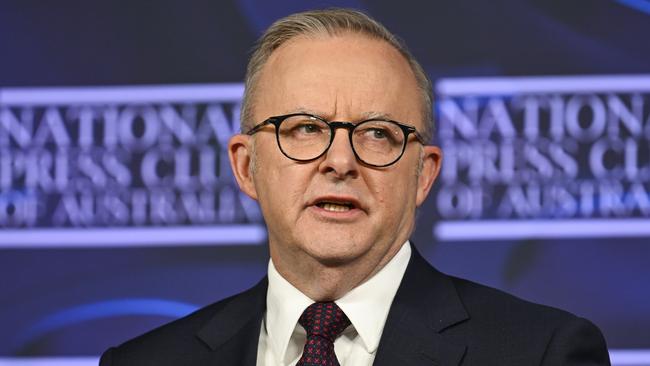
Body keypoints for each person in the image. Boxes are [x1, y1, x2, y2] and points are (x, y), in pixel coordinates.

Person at [99, 8, 610, 366]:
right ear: (246, 166)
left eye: (378, 134)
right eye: (304, 128)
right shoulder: (147, 361)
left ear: (423, 174)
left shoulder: (542, 353)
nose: (340, 161)